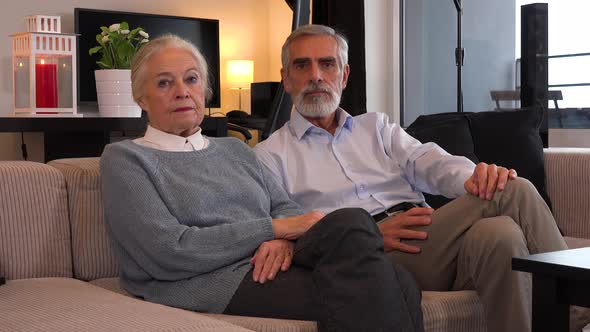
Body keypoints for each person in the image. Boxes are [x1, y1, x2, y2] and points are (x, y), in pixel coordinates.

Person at [254, 24, 588, 332]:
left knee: (501, 235)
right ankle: (578, 309)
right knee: (514, 190)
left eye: (327, 64)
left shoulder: (375, 127)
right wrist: (366, 234)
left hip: (429, 232)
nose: (316, 76)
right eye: (302, 66)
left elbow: (426, 159)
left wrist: (473, 178)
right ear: (286, 78)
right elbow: (285, 224)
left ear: (343, 76)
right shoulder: (270, 155)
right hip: (376, 253)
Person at [99, 34, 424, 332]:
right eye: (164, 83)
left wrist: (284, 240)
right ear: (141, 98)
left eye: (191, 79)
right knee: (393, 282)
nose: (182, 91)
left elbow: (284, 208)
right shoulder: (125, 159)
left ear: (204, 91)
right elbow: (168, 251)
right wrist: (273, 231)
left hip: (274, 259)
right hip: (211, 280)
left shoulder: (235, 149)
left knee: (354, 224)